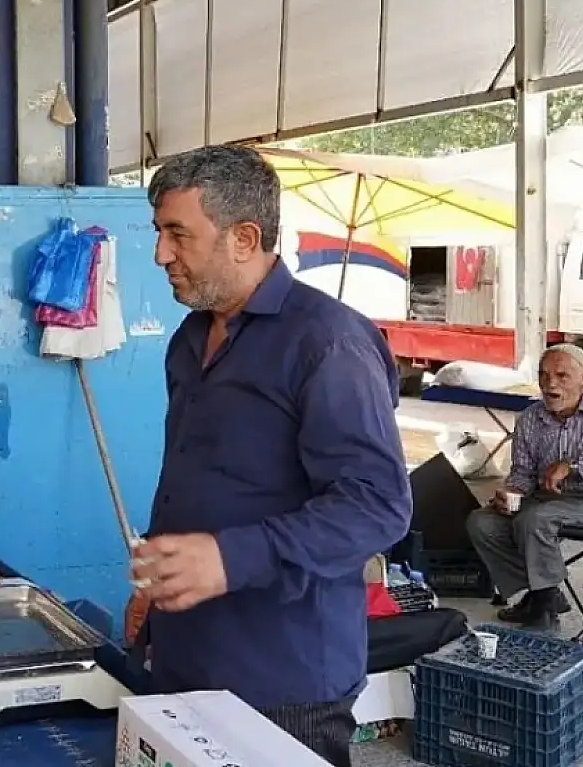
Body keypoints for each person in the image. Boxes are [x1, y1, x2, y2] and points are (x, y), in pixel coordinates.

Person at [129, 145, 411, 767]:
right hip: (187, 651)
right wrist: (158, 583)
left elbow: (377, 507)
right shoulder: (192, 336)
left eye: (178, 234)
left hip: (280, 678)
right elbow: (198, 475)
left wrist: (229, 558)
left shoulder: (328, 343)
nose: (161, 255)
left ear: (244, 237)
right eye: (159, 233)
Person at [467, 343, 583, 630]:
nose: (550, 384)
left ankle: (543, 612)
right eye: (544, 375)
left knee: (536, 519)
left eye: (562, 376)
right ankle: (546, 593)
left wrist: (577, 466)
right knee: (482, 522)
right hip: (549, 501)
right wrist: (512, 493)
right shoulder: (531, 417)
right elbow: (522, 474)